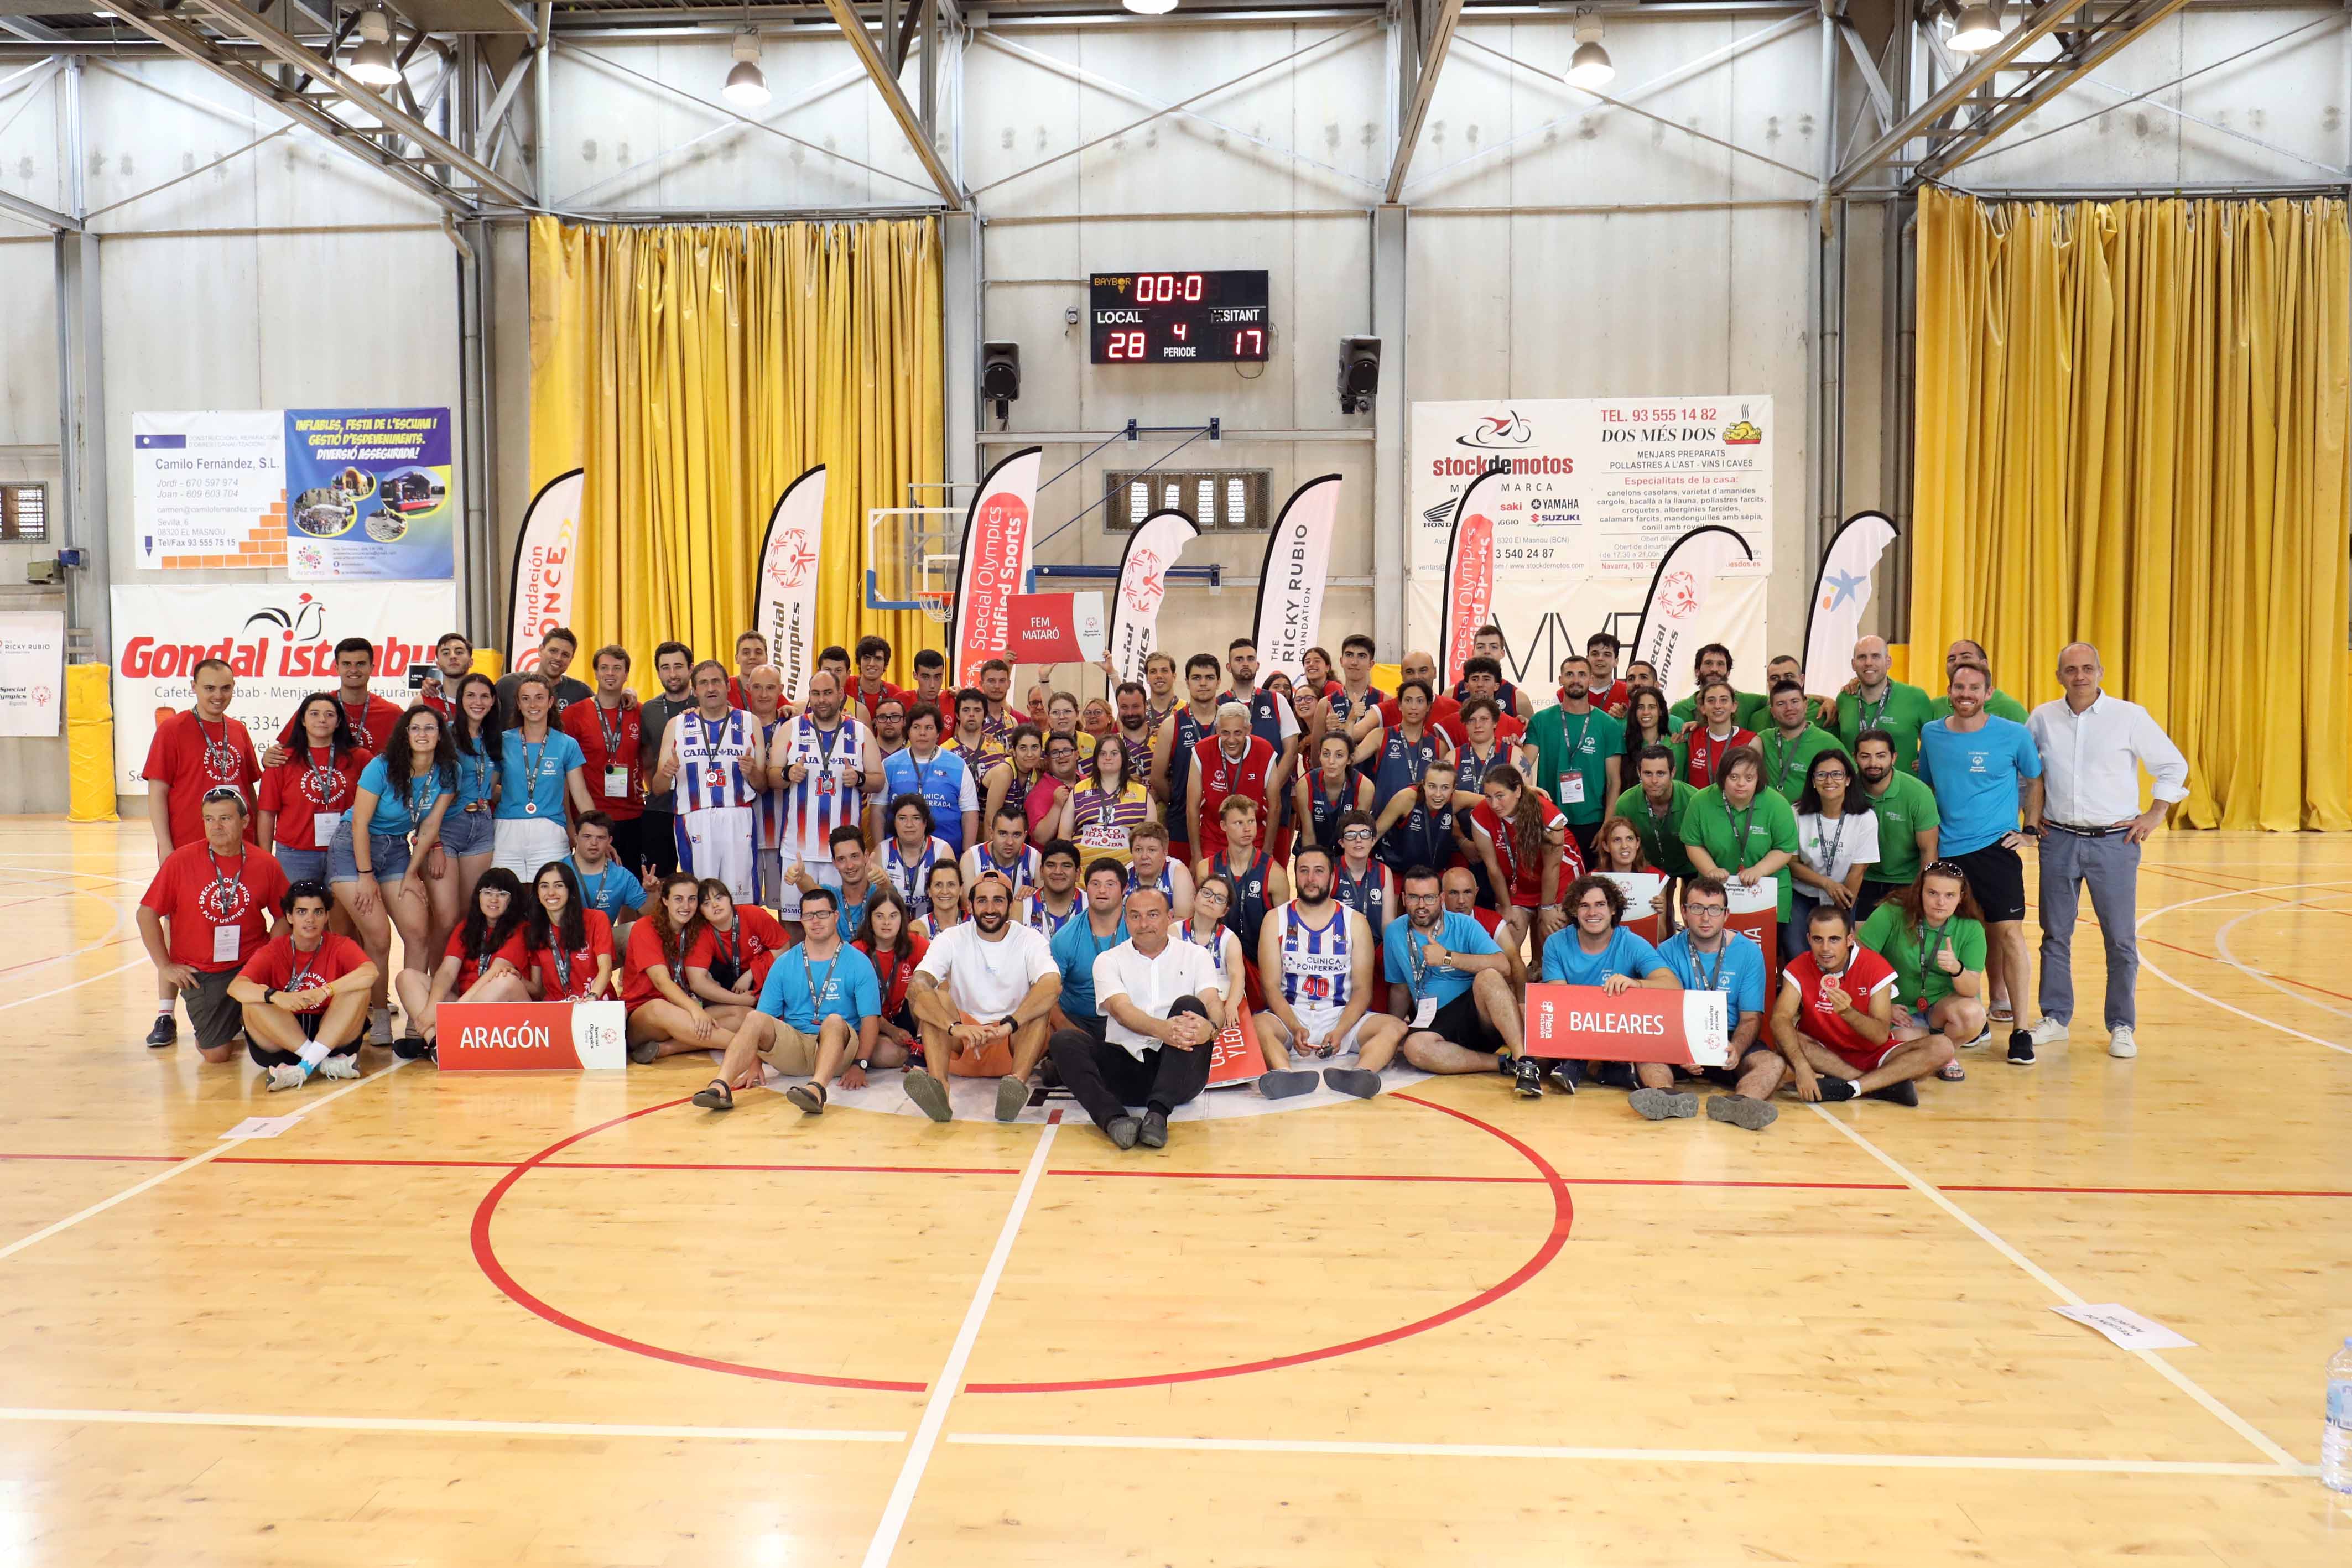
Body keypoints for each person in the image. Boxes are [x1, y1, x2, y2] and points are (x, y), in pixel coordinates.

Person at [2021, 642, 2189, 1060]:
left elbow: (2173, 765)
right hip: (2057, 839)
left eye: (2088, 668)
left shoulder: (2129, 717)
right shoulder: (2042, 717)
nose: (2080, 676)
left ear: (2101, 671)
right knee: (2055, 934)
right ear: (2059, 675)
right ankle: (2056, 1018)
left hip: (2115, 842)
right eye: (2071, 669)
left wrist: (2154, 814)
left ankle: (2122, 1025)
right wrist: (2032, 814)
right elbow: (2026, 771)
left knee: (2120, 938)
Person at [1917, 660, 2043, 1063]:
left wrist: (2032, 829)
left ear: (1989, 693)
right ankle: (1973, 1020)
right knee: (1955, 938)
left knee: (2009, 936)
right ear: (1949, 690)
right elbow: (1929, 789)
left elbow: (2036, 778)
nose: (1965, 694)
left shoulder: (2013, 734)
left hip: (1996, 851)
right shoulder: (1932, 735)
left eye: (1974, 687)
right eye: (1959, 687)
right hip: (1950, 853)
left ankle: (2021, 1029)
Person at [142, 658, 263, 1046]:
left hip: (235, 848)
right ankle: (165, 1012)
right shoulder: (173, 730)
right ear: (193, 687)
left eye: (225, 688)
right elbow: (158, 790)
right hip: (189, 847)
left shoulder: (239, 731)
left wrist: (258, 844)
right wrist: (166, 846)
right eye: (210, 688)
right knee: (177, 926)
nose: (218, 696)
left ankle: (241, 1005)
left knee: (234, 913)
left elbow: (250, 790)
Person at [1051, 885, 1225, 1149]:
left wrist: (1211, 1028)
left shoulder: (1196, 955)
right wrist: (1163, 1030)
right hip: (1126, 1072)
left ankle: (1158, 1115)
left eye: (1153, 915)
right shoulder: (1108, 960)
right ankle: (1114, 1121)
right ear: (1125, 919)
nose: (1144, 924)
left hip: (1181, 1075)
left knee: (1189, 1005)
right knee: (1063, 1041)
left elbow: (1212, 1001)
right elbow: (1121, 1011)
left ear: (1170, 917)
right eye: (1135, 916)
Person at [698, 885, 886, 1114]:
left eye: (822, 914)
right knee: (755, 1017)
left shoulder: (858, 962)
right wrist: (755, 1063)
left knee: (834, 1021)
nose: (815, 921)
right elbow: (764, 1019)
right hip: (795, 1047)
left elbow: (870, 1021)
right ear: (802, 920)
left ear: (836, 917)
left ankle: (816, 1091)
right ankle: (721, 1086)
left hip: (839, 1052)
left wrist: (860, 1065)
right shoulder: (785, 962)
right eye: (808, 915)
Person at [138, 788, 290, 1062]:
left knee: (272, 1042)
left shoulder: (265, 863)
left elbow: (285, 916)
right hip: (203, 971)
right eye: (209, 819)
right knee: (216, 1055)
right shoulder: (181, 862)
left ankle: (250, 1018)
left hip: (250, 963)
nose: (216, 827)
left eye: (225, 818)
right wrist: (165, 966)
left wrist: (268, 954)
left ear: (245, 822)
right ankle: (231, 1022)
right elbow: (146, 914)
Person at [332, 705, 456, 1041]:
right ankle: (381, 1014)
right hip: (353, 849)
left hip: (398, 850)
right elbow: (359, 823)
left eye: (430, 728)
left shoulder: (447, 771)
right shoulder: (382, 767)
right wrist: (365, 874)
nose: (423, 735)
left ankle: (418, 1015)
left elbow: (430, 826)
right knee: (379, 937)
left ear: (440, 735)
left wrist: (412, 873)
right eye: (416, 728)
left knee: (417, 932)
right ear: (405, 733)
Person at [904, 871, 1061, 1122]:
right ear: (969, 905)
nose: (990, 908)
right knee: (935, 998)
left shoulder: (1029, 938)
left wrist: (1008, 1025)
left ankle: (1015, 1086)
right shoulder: (952, 938)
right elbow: (917, 986)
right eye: (982, 901)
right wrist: (955, 1028)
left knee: (1041, 1005)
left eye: (998, 901)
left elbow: (1053, 985)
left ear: (1011, 905)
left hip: (1013, 1045)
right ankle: (939, 1089)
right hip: (963, 1043)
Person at [1253, 844, 1405, 1099]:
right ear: (1295, 876)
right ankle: (1283, 1075)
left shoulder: (1354, 922)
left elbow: (1362, 990)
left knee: (1395, 1027)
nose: (1311, 879)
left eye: (1319, 871)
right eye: (1304, 871)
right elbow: (1269, 986)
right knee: (1257, 1025)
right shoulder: (1275, 919)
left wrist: (1341, 1030)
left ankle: (1361, 1074)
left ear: (1332, 878)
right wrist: (1294, 1025)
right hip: (1291, 1016)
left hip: (1340, 1016)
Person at [1772, 903, 1952, 1103]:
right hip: (1821, 1053)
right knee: (1782, 1036)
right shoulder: (1799, 966)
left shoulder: (1875, 967)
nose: (1825, 949)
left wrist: (1848, 1013)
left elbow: (1879, 1037)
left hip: (1873, 1054)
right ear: (1808, 940)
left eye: (1834, 940)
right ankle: (1878, 1086)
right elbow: (1780, 1018)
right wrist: (1802, 1068)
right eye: (1817, 939)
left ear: (1850, 939)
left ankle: (1851, 1088)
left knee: (1942, 1046)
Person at [1536, 876, 1682, 1109]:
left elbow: (1673, 985)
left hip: (1620, 1033)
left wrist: (1636, 983)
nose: (1592, 912)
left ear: (1613, 909)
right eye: (1584, 905)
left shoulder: (1631, 942)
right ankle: (1599, 1068)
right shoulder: (1556, 943)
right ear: (1574, 910)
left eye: (1600, 905)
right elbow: (1558, 1002)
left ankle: (1667, 1099)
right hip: (1574, 1030)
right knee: (1531, 1023)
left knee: (1651, 1059)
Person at [1655, 876, 1781, 1129]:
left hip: (1730, 1039)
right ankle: (1667, 1098)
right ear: (1684, 912)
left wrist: (1737, 1048)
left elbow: (1751, 1017)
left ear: (1726, 914)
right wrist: (1678, 1050)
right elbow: (1663, 1013)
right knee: (1646, 1056)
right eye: (1697, 908)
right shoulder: (1666, 951)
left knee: (1773, 1064)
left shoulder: (1749, 953)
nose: (1705, 918)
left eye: (1714, 910)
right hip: (1682, 1037)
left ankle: (1738, 1104)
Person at [230, 881, 378, 1091]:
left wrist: (326, 990)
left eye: (318, 912)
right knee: (253, 1000)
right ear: (290, 917)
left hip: (332, 1035)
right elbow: (236, 987)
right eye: (302, 912)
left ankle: (301, 1069)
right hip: (282, 1037)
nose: (310, 919)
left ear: (327, 916)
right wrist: (275, 996)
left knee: (359, 990)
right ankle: (322, 1063)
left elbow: (370, 972)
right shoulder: (274, 949)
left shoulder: (339, 945)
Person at [767, 669, 881, 930]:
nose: (822, 700)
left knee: (840, 921)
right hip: (798, 846)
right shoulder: (791, 728)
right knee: (797, 922)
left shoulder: (860, 732)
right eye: (816, 694)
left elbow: (879, 779)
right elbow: (771, 776)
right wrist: (788, 773)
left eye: (828, 693)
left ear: (841, 695)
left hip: (841, 853)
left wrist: (861, 780)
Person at [1385, 864, 1524, 1079]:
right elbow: (1400, 989)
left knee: (1489, 977)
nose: (1422, 905)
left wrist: (1447, 957)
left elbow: (1504, 965)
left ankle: (1524, 1062)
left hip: (1476, 1015)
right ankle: (1503, 1064)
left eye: (1429, 898)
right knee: (1414, 1048)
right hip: (1434, 1023)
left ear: (1440, 898)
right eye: (1414, 897)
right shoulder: (1395, 932)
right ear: (1403, 899)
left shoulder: (1465, 924)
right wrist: (1392, 1035)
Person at [1859, 860, 1989, 1085]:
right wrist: (1882, 1005)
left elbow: (1970, 989)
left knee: (1973, 1014)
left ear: (1961, 897)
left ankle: (1945, 1054)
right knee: (1901, 1047)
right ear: (1919, 892)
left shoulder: (1971, 928)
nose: (1940, 902)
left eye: (1950, 895)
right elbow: (1858, 963)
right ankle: (1937, 1053)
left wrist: (1956, 969)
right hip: (1901, 1008)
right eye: (1933, 893)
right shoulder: (1892, 913)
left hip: (1942, 1008)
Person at [653, 659, 767, 903]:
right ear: (695, 691)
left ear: (728, 685)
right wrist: (666, 773)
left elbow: (763, 785)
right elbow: (658, 788)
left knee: (741, 897)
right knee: (699, 895)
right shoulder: (677, 725)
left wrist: (753, 773)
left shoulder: (749, 722)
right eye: (703, 683)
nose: (711, 688)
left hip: (738, 816)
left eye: (716, 681)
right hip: (694, 817)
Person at [394, 867, 526, 1059]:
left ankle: (446, 1038)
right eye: (487, 893)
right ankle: (436, 1044)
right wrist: (433, 1007)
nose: (494, 899)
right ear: (478, 896)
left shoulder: (521, 929)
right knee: (407, 977)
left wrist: (458, 1009)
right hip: (468, 1007)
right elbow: (447, 971)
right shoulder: (467, 927)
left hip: (502, 1009)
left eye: (502, 894)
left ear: (512, 900)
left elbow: (495, 972)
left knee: (504, 980)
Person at [1681, 746, 1799, 944]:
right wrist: (1710, 870)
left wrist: (1759, 870)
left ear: (1759, 779)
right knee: (1716, 946)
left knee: (1770, 950)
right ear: (1722, 778)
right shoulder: (1700, 801)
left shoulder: (1777, 804)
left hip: (1768, 891)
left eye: (1749, 778)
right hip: (1716, 890)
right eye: (1734, 777)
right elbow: (1693, 843)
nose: (1741, 784)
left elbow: (1785, 849)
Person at [256, 693, 370, 884]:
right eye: (314, 714)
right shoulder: (281, 759)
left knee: (342, 914)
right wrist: (265, 859)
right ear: (302, 720)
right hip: (295, 855)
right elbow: (267, 813)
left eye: (330, 715)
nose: (322, 720)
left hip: (345, 851)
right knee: (298, 912)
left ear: (339, 721)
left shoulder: (360, 758)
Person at [1521, 654, 1622, 861]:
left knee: (1591, 886)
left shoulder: (1608, 725)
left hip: (1592, 821)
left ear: (1591, 680)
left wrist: (1607, 825)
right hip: (1550, 816)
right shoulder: (1541, 720)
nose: (1576, 680)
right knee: (1554, 882)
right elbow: (1523, 766)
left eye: (1582, 675)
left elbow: (1614, 781)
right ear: (1560, 680)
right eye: (1569, 674)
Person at [492, 673, 592, 882]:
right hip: (507, 830)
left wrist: (597, 833)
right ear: (519, 704)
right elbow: (489, 789)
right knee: (507, 897)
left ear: (550, 702)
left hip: (550, 830)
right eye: (526, 699)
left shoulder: (567, 744)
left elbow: (580, 795)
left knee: (550, 899)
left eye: (539, 697)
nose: (533, 704)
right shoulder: (502, 741)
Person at [561, 644, 652, 874]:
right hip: (589, 816)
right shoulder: (574, 714)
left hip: (632, 815)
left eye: (617, 668)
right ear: (595, 673)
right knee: (590, 883)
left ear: (626, 674)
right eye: (604, 668)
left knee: (630, 885)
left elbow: (649, 759)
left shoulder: (640, 712)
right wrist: (570, 822)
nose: (610, 673)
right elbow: (564, 773)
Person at [1469, 763, 1576, 954]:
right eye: (1488, 797)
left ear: (1518, 790)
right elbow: (1493, 868)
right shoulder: (1481, 815)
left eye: (1500, 796)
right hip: (1518, 880)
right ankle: (1513, 983)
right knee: (1507, 938)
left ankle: (1543, 974)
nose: (1494, 805)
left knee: (1550, 935)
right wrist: (1507, 907)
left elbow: (1552, 867)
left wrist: (1547, 908)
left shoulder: (1548, 814)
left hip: (1559, 877)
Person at [479, 861, 617, 1003]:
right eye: (544, 886)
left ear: (570, 890)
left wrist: (591, 999)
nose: (551, 892)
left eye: (559, 885)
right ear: (538, 894)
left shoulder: (596, 919)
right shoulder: (535, 930)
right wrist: (516, 977)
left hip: (597, 1003)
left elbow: (606, 969)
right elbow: (537, 989)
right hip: (556, 1009)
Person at [1787, 749, 1877, 961]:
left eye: (1837, 774)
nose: (1829, 781)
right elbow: (1791, 863)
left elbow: (1859, 870)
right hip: (1802, 896)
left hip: (1844, 896)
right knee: (1798, 952)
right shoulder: (1797, 813)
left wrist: (1841, 911)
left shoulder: (1865, 818)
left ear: (1847, 780)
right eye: (1822, 775)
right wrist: (1826, 884)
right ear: (1813, 781)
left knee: (1835, 954)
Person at [1851, 728, 1940, 923]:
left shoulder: (1918, 793)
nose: (1873, 763)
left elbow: (1929, 850)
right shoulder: (1846, 789)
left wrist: (1922, 892)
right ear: (1855, 758)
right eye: (1865, 756)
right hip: (1861, 878)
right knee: (1859, 941)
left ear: (1894, 758)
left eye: (1881, 756)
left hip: (1906, 881)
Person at [682, 877, 792, 1033]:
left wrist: (751, 974)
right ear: (700, 912)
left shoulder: (752, 914)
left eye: (719, 898)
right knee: (708, 979)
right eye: (706, 903)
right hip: (732, 988)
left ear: (730, 899)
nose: (715, 905)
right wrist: (740, 1000)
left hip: (763, 978)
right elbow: (697, 982)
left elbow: (784, 947)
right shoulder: (702, 931)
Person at [439, 672, 503, 937]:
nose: (478, 702)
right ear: (460, 700)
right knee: (445, 917)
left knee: (469, 913)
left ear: (493, 701)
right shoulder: (445, 736)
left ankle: (460, 978)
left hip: (481, 828)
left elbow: (494, 786)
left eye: (484, 696)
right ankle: (438, 979)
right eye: (471, 696)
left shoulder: (495, 739)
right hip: (447, 827)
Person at [269, 636, 403, 756]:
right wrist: (269, 757)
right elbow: (283, 751)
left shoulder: (393, 714)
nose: (354, 670)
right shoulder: (316, 708)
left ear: (372, 668)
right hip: (325, 783)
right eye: (346, 664)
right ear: (337, 668)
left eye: (361, 664)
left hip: (377, 784)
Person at [1046, 858, 1131, 1044]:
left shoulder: (1137, 929)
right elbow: (1047, 994)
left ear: (1125, 890)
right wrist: (1067, 1028)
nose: (1102, 891)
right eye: (1095, 884)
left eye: (1110, 884)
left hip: (1129, 1018)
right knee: (1062, 1039)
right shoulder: (1064, 938)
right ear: (1086, 889)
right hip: (1079, 1020)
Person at [1198, 795, 1286, 967]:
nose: (1247, 829)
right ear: (1223, 826)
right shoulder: (1206, 869)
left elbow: (1283, 930)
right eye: (1239, 823)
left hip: (1259, 962)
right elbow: (1198, 920)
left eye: (1251, 821)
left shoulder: (1275, 873)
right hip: (1216, 961)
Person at [1153, 653, 1225, 859]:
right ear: (1187, 682)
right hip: (1182, 820)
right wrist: (1179, 799)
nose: (1203, 683)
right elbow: (1157, 777)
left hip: (1222, 822)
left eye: (1210, 678)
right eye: (1196, 678)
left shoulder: (1230, 723)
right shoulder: (1172, 724)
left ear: (1219, 682)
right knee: (1183, 885)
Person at [636, 641, 698, 880]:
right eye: (665, 668)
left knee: (701, 878)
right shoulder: (648, 710)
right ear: (658, 672)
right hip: (660, 808)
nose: (672, 674)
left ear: (691, 668)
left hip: (698, 806)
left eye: (678, 666)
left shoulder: (706, 704)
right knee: (657, 879)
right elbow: (644, 756)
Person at [1188, 701, 1281, 861]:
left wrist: (1267, 851)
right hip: (1213, 839)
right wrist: (1196, 855)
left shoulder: (1264, 750)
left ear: (1249, 730)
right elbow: (1192, 808)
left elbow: (1275, 807)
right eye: (1225, 732)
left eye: (1238, 733)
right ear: (1217, 729)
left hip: (1253, 839)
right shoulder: (1201, 751)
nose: (1231, 740)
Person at [1834, 635, 1934, 773]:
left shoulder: (1916, 698)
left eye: (1875, 656)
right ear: (1853, 664)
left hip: (1901, 791)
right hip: (1854, 791)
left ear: (1888, 662)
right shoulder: (1844, 699)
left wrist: (1929, 762)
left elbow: (1937, 743)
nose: (1868, 663)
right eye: (1862, 657)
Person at [1351, 679, 1448, 820]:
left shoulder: (1439, 746)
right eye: (1408, 700)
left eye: (1420, 701)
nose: (1413, 707)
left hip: (1421, 823)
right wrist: (1350, 721)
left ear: (1428, 707)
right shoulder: (1380, 735)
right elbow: (1350, 758)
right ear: (1400, 705)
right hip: (1383, 820)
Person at [1055, 732, 1153, 867]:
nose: (1108, 758)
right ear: (1096, 758)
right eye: (1102, 754)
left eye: (1114, 753)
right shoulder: (1079, 790)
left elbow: (1152, 840)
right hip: (1083, 875)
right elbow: (1064, 837)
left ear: (1124, 758)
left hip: (1128, 875)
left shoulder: (1142, 793)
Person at [855, 885, 927, 1067]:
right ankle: (918, 1052)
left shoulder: (915, 943)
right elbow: (858, 1007)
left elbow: (942, 977)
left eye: (893, 916)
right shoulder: (857, 951)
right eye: (880, 916)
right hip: (870, 1023)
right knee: (894, 1055)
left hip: (905, 1017)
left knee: (925, 984)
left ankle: (922, 1044)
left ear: (902, 919)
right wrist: (892, 1030)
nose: (886, 922)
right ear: (870, 920)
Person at [1221, 635, 1303, 784]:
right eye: (1239, 659)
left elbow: (1291, 751)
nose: (1246, 664)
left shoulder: (1278, 701)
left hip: (1273, 795)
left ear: (1257, 665)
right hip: (1231, 796)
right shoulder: (1219, 704)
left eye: (1250, 659)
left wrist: (1272, 789)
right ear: (1229, 667)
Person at [1610, 744, 1698, 882]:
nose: (1654, 781)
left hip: (1692, 867)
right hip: (1646, 869)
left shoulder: (1694, 799)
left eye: (1661, 773)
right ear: (1639, 773)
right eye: (1648, 773)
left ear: (1673, 772)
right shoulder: (1625, 803)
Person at [1373, 757, 1467, 879]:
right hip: (1397, 871)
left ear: (1454, 788)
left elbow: (1488, 800)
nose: (1438, 794)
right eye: (1432, 786)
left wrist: (1464, 841)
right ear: (1423, 784)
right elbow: (1375, 834)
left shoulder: (1456, 799)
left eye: (1445, 788)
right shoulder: (1407, 798)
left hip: (1432, 873)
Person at [564, 812, 650, 936]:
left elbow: (649, 912)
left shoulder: (622, 876)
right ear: (576, 838)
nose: (594, 843)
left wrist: (652, 892)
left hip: (605, 938)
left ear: (609, 841)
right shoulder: (557, 871)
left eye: (601, 838)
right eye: (587, 836)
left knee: (636, 930)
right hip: (566, 938)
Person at [1442, 864, 1523, 993]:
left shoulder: (1491, 919)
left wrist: (1522, 1003)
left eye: (1467, 892)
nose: (1461, 901)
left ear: (1476, 892)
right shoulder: (1431, 920)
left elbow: (1514, 961)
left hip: (1483, 990)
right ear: (1442, 896)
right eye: (1454, 893)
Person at [1329, 809, 1397, 957]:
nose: (1358, 840)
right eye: (1351, 835)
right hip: (1338, 950)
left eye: (1365, 834)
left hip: (1375, 949)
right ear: (1341, 842)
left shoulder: (1383, 872)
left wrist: (1394, 954)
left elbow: (1387, 924)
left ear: (1373, 840)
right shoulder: (1331, 872)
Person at [1295, 730, 1374, 858]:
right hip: (1313, 849)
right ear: (1319, 756)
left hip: (1348, 853)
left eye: (1339, 755)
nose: (1331, 761)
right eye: (1326, 754)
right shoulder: (1305, 784)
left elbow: (1358, 836)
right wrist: (1315, 866)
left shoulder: (1364, 787)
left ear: (1349, 759)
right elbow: (1308, 834)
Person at [1758, 680, 1838, 804]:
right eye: (1781, 704)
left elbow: (1851, 779)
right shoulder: (1763, 739)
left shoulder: (1828, 742)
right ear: (1772, 712)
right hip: (1771, 817)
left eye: (1795, 702)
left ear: (1806, 705)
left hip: (1810, 817)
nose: (1789, 708)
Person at [878, 794, 955, 919]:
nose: (909, 824)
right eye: (902, 818)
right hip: (892, 929)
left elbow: (952, 898)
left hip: (934, 929)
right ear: (894, 822)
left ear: (926, 822)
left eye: (916, 818)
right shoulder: (882, 851)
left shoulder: (942, 850)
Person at [495, 627, 591, 722]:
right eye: (553, 651)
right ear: (541, 650)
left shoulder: (581, 693)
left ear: (571, 659)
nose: (558, 658)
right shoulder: (507, 685)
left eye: (565, 655)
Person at [1667, 643, 1768, 731]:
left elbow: (1778, 702)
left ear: (1728, 672)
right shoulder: (1679, 710)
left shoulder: (1749, 701)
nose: (1714, 669)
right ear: (1697, 671)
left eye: (1720, 664)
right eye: (1708, 663)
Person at [1928, 639, 2030, 723]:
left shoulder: (2010, 709)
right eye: (1951, 659)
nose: (1957, 662)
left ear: (1984, 664)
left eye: (1966, 657)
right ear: (1949, 690)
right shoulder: (1934, 708)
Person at [1680, 679, 1757, 790]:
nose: (1717, 706)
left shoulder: (1751, 741)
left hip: (1734, 806)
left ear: (1734, 706)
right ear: (1703, 708)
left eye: (1724, 700)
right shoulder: (1693, 736)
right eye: (1711, 701)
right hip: (1700, 806)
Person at [982, 725, 1045, 844]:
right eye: (1023, 748)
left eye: (1035, 747)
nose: (1030, 754)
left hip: (1009, 838)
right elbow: (990, 820)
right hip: (983, 836)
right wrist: (988, 857)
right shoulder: (1005, 772)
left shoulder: (1035, 774)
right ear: (1014, 751)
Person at [963, 805, 1042, 899]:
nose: (1010, 842)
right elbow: (967, 905)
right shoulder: (971, 857)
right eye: (1003, 834)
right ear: (991, 834)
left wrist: (1034, 895)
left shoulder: (1035, 858)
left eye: (1017, 835)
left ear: (1025, 836)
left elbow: (1041, 905)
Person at [1122, 821, 1194, 920]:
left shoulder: (1177, 872)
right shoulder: (1126, 873)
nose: (1144, 856)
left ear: (1165, 853)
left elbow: (1183, 920)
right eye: (1138, 850)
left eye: (1152, 850)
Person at [826, 823, 883, 940]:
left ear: (866, 856)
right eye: (842, 859)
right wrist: (801, 877)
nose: (850, 866)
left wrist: (885, 882)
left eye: (855, 856)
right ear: (834, 862)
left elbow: (891, 896)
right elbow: (809, 887)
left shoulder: (880, 892)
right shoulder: (830, 895)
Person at [1450, 696, 1514, 798]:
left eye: (1484, 719)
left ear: (1495, 723)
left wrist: (1467, 799)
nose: (1477, 725)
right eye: (1471, 720)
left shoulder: (1514, 754)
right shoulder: (1453, 757)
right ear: (1465, 724)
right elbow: (1444, 800)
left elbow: (1523, 799)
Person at [1619, 687, 1682, 778]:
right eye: (1641, 707)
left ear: (1660, 711)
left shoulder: (1677, 746)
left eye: (1652, 707)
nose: (1646, 712)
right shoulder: (1625, 745)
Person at [415, 630, 475, 720]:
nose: (453, 657)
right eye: (446, 653)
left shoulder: (484, 702)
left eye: (459, 652)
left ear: (471, 662)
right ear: (438, 664)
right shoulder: (422, 703)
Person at [844, 633, 905, 719]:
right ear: (859, 662)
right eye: (866, 658)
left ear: (886, 664)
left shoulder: (896, 693)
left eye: (878, 659)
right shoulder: (845, 686)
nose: (872, 664)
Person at [914, 861, 967, 941]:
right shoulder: (919, 928)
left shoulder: (975, 924)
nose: (945, 892)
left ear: (961, 889)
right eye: (938, 885)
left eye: (951, 885)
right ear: (929, 891)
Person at [1585, 630, 1629, 714]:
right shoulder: (1566, 694)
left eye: (1607, 654)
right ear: (1587, 659)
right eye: (1595, 654)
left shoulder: (1629, 693)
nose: (1600, 659)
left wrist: (1628, 718)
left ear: (1616, 661)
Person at [725, 631, 770, 709]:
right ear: (737, 658)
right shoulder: (725, 688)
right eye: (746, 653)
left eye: (758, 653)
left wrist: (787, 708)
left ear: (766, 658)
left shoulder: (772, 689)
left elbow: (793, 708)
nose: (752, 657)